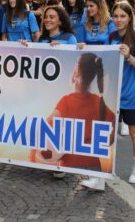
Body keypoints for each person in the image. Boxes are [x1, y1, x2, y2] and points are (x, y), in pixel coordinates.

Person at [81, 1, 135, 190]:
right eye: (116, 16)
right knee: (103, 132)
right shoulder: (111, 36)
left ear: (129, 18)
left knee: (134, 132)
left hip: (133, 93)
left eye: (122, 16)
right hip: (113, 93)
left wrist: (128, 56)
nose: (118, 20)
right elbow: (104, 60)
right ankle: (100, 176)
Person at [29, 52, 116, 185]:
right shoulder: (98, 102)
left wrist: (38, 155)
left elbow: (45, 126)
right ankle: (97, 182)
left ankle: (59, 172)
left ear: (76, 74)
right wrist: (98, 143)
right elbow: (113, 123)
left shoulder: (67, 101)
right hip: (94, 165)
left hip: (69, 164)